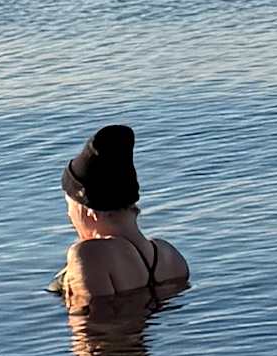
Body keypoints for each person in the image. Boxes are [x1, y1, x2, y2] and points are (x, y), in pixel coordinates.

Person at [56, 121, 188, 313]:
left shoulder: (87, 255)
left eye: (70, 206)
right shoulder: (171, 257)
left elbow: (91, 336)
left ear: (89, 209)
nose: (69, 215)